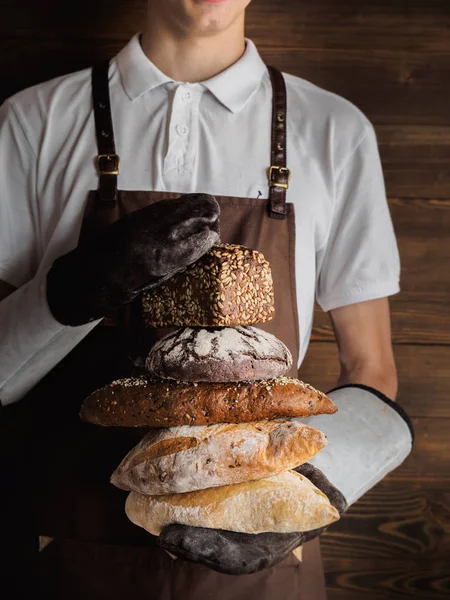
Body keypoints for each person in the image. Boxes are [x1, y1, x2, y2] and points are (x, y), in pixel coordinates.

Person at [0, 0, 412, 598]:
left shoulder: (332, 129)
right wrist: (72, 291)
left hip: (271, 567)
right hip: (69, 548)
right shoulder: (34, 121)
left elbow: (370, 369)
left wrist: (312, 488)